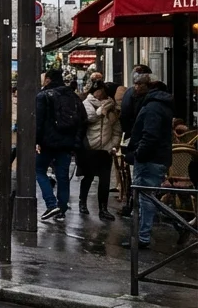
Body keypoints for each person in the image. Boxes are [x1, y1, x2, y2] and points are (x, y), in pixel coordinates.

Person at [126, 74, 174, 248]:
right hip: (156, 157)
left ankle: (143, 237)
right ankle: (176, 224)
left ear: (148, 87)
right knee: (148, 196)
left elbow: (150, 135)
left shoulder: (153, 107)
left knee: (145, 198)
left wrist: (139, 153)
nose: (135, 87)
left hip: (150, 159)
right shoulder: (160, 105)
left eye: (139, 84)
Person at [36, 68, 86, 220]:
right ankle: (62, 209)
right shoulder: (73, 96)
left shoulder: (43, 95)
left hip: (47, 142)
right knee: (62, 176)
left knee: (39, 170)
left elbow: (38, 122)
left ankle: (51, 204)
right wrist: (76, 143)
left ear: (48, 80)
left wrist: (36, 141)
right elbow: (83, 120)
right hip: (67, 143)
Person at [80, 81, 122, 220]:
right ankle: (82, 202)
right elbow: (90, 118)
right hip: (90, 148)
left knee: (104, 180)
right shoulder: (87, 103)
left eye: (102, 91)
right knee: (88, 176)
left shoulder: (111, 107)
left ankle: (103, 209)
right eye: (97, 91)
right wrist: (101, 110)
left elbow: (116, 129)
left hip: (105, 149)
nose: (99, 93)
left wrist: (113, 145)